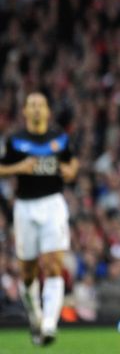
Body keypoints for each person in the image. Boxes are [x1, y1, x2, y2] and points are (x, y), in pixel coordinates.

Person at [0, 92, 79, 346]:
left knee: (54, 264)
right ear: (24, 112)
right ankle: (35, 317)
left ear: (47, 111)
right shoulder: (15, 140)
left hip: (53, 204)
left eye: (40, 105)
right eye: (31, 105)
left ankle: (48, 324)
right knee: (27, 273)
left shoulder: (59, 138)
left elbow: (72, 165)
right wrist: (18, 168)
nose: (36, 110)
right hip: (24, 207)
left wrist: (71, 171)